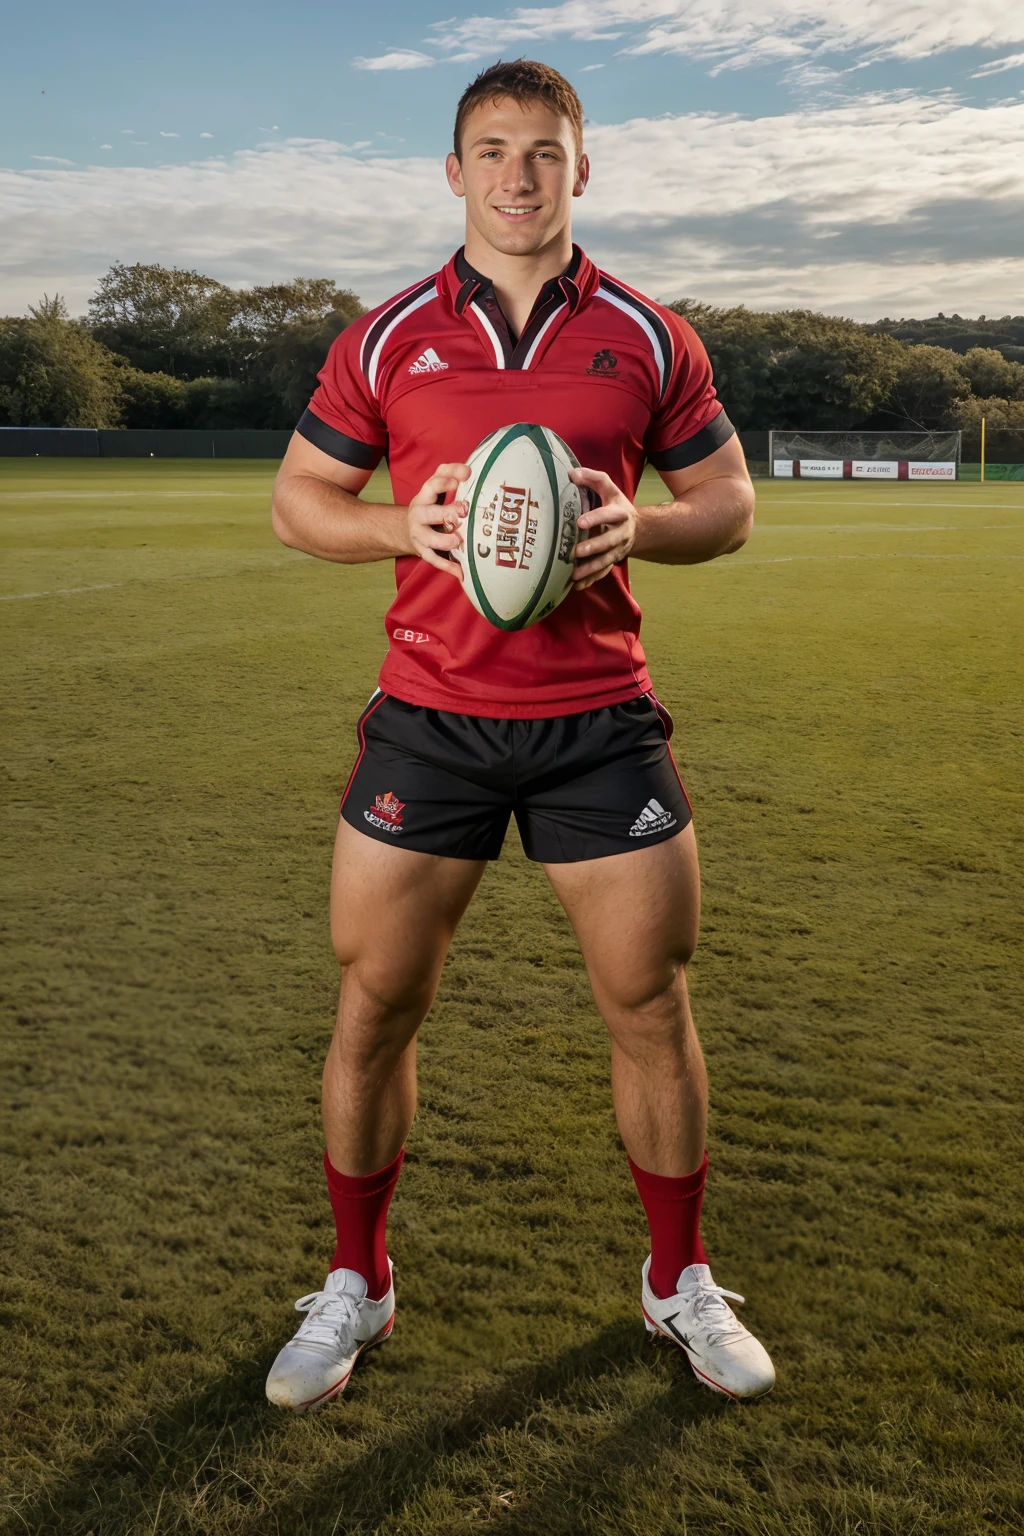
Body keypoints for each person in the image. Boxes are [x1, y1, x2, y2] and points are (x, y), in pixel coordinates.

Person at [265, 58, 774, 1411]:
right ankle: (357, 1281)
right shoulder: (384, 339)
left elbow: (726, 502)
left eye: (545, 152)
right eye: (493, 151)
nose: (519, 175)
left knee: (650, 1003)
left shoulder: (653, 337)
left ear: (581, 170)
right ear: (455, 172)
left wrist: (642, 525)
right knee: (375, 1002)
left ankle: (679, 1282)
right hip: (428, 720)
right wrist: (397, 523)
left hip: (598, 725)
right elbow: (300, 501)